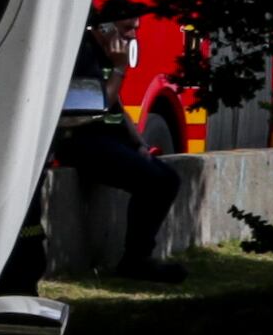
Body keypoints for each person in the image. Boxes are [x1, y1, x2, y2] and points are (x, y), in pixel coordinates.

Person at [48, 14, 182, 276]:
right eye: (126, 28)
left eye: (135, 29)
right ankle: (135, 261)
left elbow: (117, 105)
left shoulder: (104, 53)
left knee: (168, 178)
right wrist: (120, 68)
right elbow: (97, 104)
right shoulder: (82, 53)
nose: (132, 35)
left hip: (107, 138)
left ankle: (139, 257)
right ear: (104, 26)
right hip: (81, 141)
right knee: (154, 182)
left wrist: (138, 142)